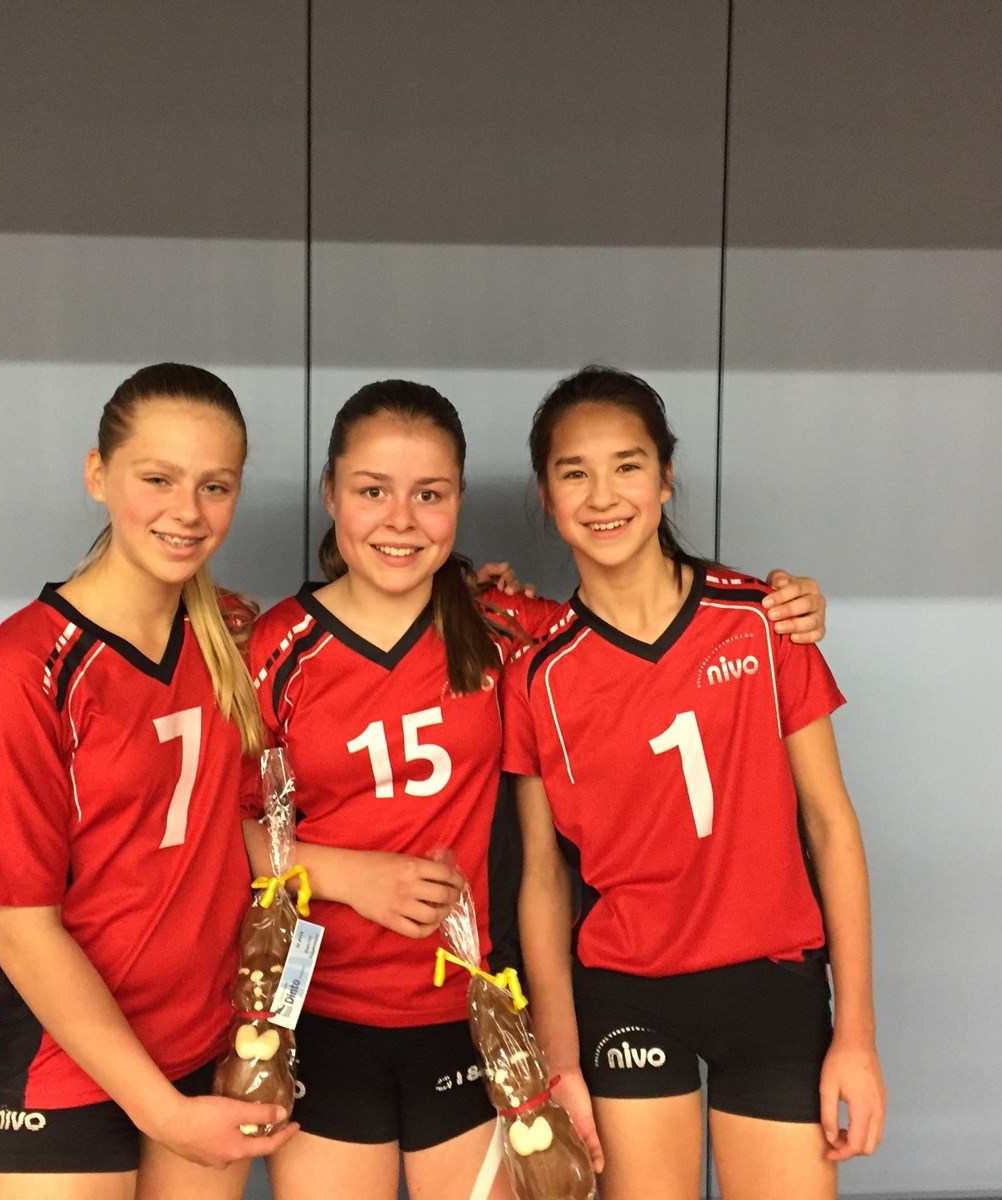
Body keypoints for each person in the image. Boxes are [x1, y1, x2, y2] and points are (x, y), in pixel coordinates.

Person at [240, 379, 830, 1200]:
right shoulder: (275, 647)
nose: (401, 519)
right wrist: (346, 874)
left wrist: (785, 606)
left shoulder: (507, 630)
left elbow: (632, 623)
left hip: (474, 1016)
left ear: (460, 500)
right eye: (372, 491)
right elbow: (225, 833)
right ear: (331, 492)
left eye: (430, 494)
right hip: (322, 1011)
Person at [504, 366, 885, 1200]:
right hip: (627, 991)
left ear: (666, 477)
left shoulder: (763, 620)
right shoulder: (535, 673)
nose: (604, 495)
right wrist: (559, 1060)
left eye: (628, 465)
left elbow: (831, 826)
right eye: (575, 472)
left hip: (773, 983)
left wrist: (856, 1031)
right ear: (546, 495)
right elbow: (543, 876)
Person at [0, 363, 296, 1200]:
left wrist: (479, 596)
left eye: (215, 486)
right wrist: (162, 1114)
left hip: (208, 1045)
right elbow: (21, 928)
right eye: (157, 479)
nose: (188, 511)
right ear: (98, 474)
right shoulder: (22, 670)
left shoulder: (230, 635)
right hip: (73, 1063)